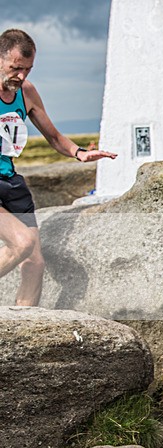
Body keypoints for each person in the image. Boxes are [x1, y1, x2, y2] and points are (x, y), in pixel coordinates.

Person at [0, 29, 116, 306]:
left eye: (28, 69)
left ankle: (21, 332)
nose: (22, 76)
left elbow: (54, 137)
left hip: (11, 183)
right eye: (15, 68)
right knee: (22, 242)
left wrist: (79, 153)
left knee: (34, 264)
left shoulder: (26, 92)